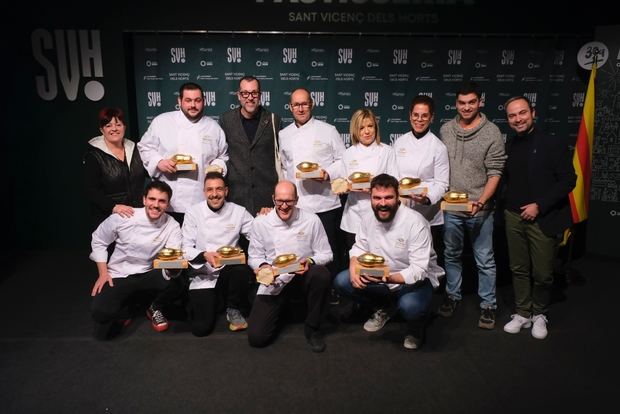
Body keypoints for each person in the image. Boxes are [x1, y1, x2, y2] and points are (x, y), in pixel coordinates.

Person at [334, 174, 444, 349]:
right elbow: (359, 247)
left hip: (414, 281)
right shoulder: (368, 218)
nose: (382, 203)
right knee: (342, 281)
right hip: (382, 277)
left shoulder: (416, 223)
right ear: (371, 198)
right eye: (377, 198)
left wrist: (387, 278)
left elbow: (419, 270)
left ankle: (416, 328)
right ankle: (386, 307)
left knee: (410, 306)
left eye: (388, 197)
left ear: (398, 197)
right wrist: (353, 265)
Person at [501, 96, 576, 339]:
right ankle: (523, 312)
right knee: (518, 268)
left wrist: (539, 205)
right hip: (513, 216)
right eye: (512, 115)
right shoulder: (510, 145)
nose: (518, 119)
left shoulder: (552, 143)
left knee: (543, 273)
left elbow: (569, 180)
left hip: (542, 217)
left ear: (533, 112)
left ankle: (539, 313)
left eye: (522, 113)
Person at [438, 81, 506, 330]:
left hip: (480, 208)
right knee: (452, 254)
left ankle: (488, 305)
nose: (466, 107)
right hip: (452, 209)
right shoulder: (446, 129)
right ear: (456, 104)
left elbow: (496, 172)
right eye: (462, 103)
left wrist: (483, 200)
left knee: (485, 259)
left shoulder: (492, 133)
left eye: (472, 102)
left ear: (481, 102)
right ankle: (453, 296)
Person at [247, 180, 333, 353]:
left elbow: (327, 254)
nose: (284, 206)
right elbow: (254, 257)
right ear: (273, 199)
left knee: (321, 275)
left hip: (302, 277)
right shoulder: (260, 222)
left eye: (289, 201)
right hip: (274, 282)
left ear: (296, 200)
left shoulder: (311, 220)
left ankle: (313, 328)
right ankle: (285, 309)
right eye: (279, 201)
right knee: (257, 338)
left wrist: (309, 262)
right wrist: (263, 267)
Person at [90, 180, 182, 339]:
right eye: (152, 199)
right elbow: (98, 240)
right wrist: (103, 273)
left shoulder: (171, 225)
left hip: (149, 272)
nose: (156, 205)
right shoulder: (125, 216)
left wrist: (174, 266)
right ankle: (126, 308)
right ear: (144, 200)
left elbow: (174, 253)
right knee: (101, 313)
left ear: (167, 204)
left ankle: (154, 306)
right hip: (120, 274)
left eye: (162, 201)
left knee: (181, 278)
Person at [137, 82, 228, 224]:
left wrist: (216, 167)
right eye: (188, 100)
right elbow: (144, 147)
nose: (193, 105)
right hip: (168, 201)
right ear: (179, 101)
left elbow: (223, 156)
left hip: (201, 200)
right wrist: (159, 162)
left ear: (203, 101)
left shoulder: (213, 127)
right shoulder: (162, 122)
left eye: (197, 100)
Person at [278, 87, 346, 275]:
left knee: (329, 251)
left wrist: (327, 173)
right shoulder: (284, 134)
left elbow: (343, 161)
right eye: (296, 105)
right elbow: (284, 167)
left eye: (304, 104)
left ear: (312, 104)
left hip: (324, 204)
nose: (300, 109)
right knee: (300, 252)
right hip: (298, 205)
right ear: (290, 107)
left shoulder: (328, 130)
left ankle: (333, 291)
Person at [178, 171, 254, 337]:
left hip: (229, 272)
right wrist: (204, 254)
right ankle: (217, 303)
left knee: (241, 268)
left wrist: (266, 216)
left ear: (226, 191)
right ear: (204, 192)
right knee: (201, 329)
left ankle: (233, 307)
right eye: (210, 190)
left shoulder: (239, 211)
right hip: (203, 274)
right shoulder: (193, 212)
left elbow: (258, 234)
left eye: (219, 189)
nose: (214, 194)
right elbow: (185, 247)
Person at [393, 95, 449, 263]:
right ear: (410, 115)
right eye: (416, 115)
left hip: (428, 212)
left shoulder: (438, 147)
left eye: (424, 115)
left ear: (432, 118)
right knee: (403, 257)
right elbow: (393, 175)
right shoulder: (400, 142)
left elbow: (442, 183)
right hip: (402, 210)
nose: (419, 119)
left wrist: (426, 199)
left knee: (427, 260)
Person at [335, 108, 398, 251]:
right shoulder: (348, 153)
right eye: (361, 128)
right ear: (355, 131)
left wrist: (373, 188)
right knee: (356, 262)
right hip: (354, 218)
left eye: (370, 126)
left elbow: (395, 182)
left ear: (375, 127)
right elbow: (344, 185)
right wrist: (347, 187)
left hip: (381, 215)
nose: (367, 131)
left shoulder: (387, 151)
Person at [219, 75, 282, 216]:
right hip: (235, 198)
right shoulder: (226, 120)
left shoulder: (274, 120)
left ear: (260, 95)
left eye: (254, 93)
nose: (250, 97)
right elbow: (221, 155)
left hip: (267, 199)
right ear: (239, 96)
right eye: (245, 93)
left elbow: (282, 158)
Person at [83, 107, 149, 231]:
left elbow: (149, 171)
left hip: (136, 215)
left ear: (124, 127)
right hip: (108, 218)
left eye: (118, 124)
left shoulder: (135, 150)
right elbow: (92, 190)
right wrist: (114, 207)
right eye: (108, 126)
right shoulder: (94, 155)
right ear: (102, 130)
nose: (114, 129)